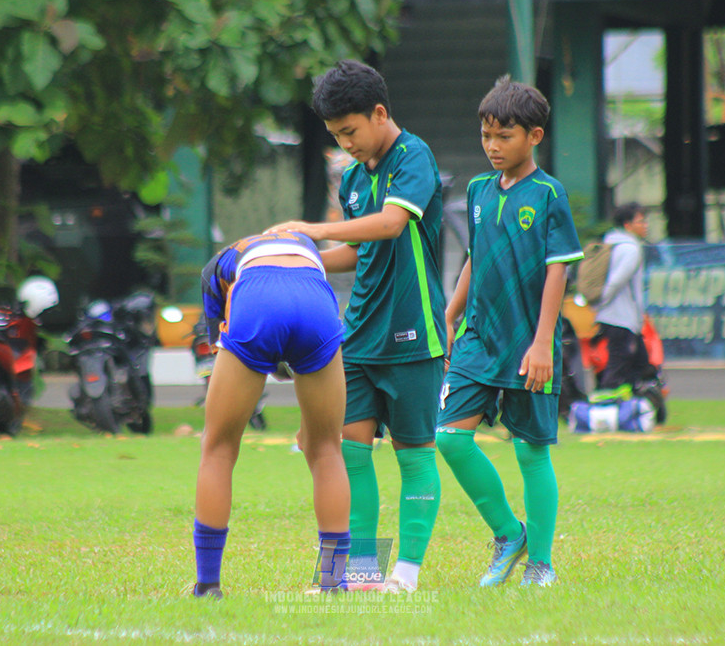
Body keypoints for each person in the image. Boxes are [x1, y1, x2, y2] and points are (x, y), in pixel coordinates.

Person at [267, 59, 446, 593]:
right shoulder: (351, 178)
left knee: (413, 454)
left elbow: (391, 225)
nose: (345, 144)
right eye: (336, 135)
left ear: (379, 113)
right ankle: (361, 572)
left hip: (415, 331)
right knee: (349, 449)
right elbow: (356, 248)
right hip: (359, 333)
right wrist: (301, 256)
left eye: (350, 131)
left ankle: (406, 576)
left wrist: (312, 226)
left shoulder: (414, 156)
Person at [437, 76, 583, 588]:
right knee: (449, 437)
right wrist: (451, 313)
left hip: (529, 343)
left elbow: (558, 270)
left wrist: (543, 343)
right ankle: (508, 533)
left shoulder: (548, 194)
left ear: (534, 136)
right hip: (479, 337)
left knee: (529, 450)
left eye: (505, 136)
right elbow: (476, 258)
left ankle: (540, 563)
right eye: (486, 136)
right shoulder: (477, 191)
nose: (493, 147)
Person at [192, 231, 349, 598]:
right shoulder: (301, 245)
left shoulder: (219, 267)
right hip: (314, 298)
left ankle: (208, 585)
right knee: (327, 449)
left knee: (218, 447)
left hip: (258, 299)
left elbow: (222, 343)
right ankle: (334, 582)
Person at [593, 202, 649, 391]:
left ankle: (628, 402)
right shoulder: (631, 249)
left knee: (638, 360)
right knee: (619, 363)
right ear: (627, 225)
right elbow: (617, 282)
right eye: (640, 221)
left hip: (612, 317)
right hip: (621, 318)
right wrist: (601, 303)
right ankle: (604, 407)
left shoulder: (610, 244)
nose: (645, 225)